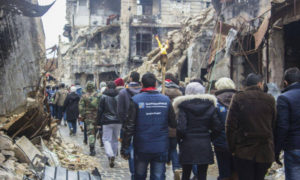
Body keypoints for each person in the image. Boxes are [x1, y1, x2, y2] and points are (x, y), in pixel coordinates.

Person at [121, 72, 176, 180]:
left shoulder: (136, 100)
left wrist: (125, 147)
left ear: (142, 84)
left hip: (142, 146)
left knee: (140, 176)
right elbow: (173, 124)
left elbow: (129, 126)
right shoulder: (166, 100)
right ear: (155, 84)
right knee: (158, 176)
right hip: (161, 145)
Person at [226, 73, 276, 180]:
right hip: (264, 150)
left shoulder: (239, 98)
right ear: (259, 84)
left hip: (243, 150)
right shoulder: (270, 99)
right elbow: (274, 124)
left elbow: (230, 126)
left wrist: (232, 148)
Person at [173, 82, 221, 180]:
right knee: (202, 174)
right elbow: (217, 127)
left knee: (186, 173)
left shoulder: (183, 106)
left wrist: (180, 140)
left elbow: (181, 128)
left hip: (187, 143)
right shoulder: (210, 105)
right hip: (204, 143)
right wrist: (209, 138)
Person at [275, 67, 300, 180]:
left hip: (293, 146)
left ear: (285, 82)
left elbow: (282, 127)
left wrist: (276, 150)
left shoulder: (284, 98)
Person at [117, 71, 141, 179]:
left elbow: (120, 111)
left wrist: (124, 123)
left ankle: (133, 173)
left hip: (128, 124)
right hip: (141, 124)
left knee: (131, 149)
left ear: (130, 78)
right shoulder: (142, 92)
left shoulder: (123, 92)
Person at [213, 77, 237, 180]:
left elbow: (214, 124)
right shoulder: (239, 99)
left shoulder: (215, 101)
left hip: (221, 142)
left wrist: (214, 137)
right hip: (238, 142)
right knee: (236, 171)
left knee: (224, 171)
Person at [97, 81, 121, 168]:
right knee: (115, 139)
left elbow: (100, 110)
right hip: (118, 121)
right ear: (115, 88)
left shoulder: (103, 96)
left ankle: (110, 154)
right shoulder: (119, 96)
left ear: (107, 87)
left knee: (106, 139)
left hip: (107, 121)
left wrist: (98, 122)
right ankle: (113, 155)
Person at [164, 73, 182, 180]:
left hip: (164, 125)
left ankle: (165, 166)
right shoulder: (179, 93)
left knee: (164, 149)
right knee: (173, 149)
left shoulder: (162, 92)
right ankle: (176, 168)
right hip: (176, 125)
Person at [79, 81, 99, 156]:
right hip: (97, 117)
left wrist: (83, 115)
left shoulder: (84, 96)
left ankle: (92, 148)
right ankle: (93, 144)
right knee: (95, 131)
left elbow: (81, 107)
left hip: (88, 117)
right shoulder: (99, 95)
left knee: (91, 133)